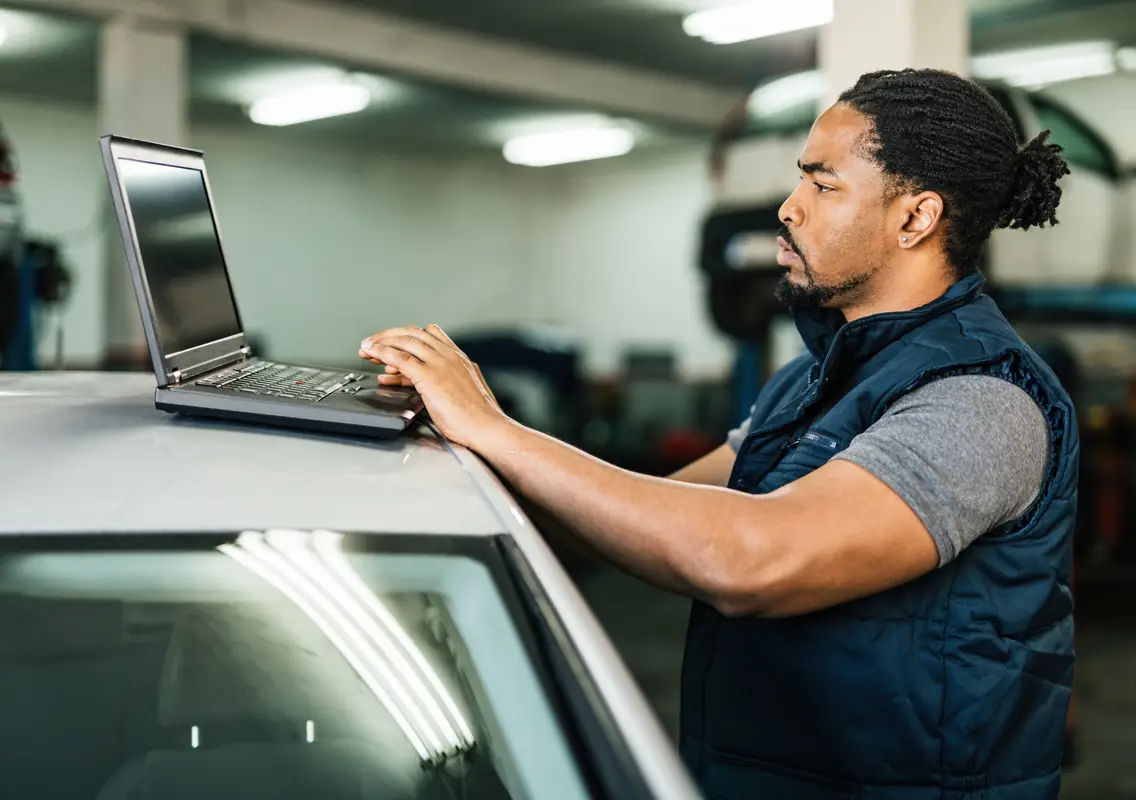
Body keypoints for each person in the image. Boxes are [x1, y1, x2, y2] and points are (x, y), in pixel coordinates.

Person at [358, 68, 1078, 800]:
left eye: (822, 185)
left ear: (915, 218)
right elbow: (644, 513)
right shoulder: (812, 380)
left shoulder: (981, 400)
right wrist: (456, 441)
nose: (789, 209)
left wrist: (496, 429)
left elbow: (749, 560)